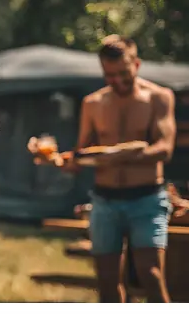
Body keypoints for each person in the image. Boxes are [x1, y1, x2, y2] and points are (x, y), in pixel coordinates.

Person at [29, 35, 177, 303]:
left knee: (151, 276)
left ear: (137, 64)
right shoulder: (93, 103)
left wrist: (118, 155)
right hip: (105, 199)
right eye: (109, 75)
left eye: (123, 73)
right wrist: (55, 159)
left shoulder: (159, 98)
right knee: (108, 284)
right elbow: (81, 155)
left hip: (147, 199)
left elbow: (165, 149)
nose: (117, 81)